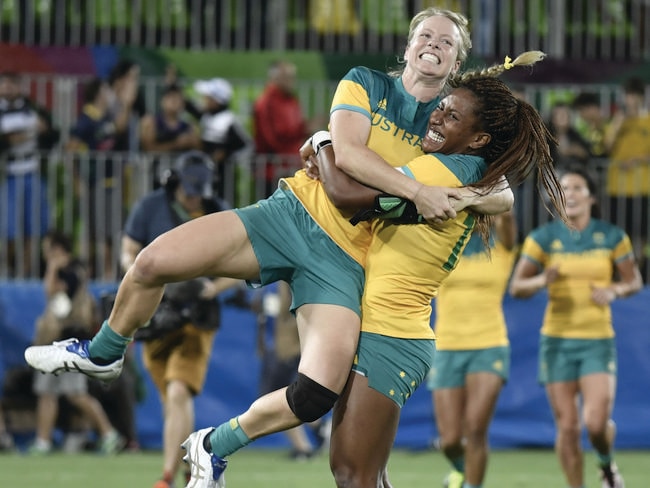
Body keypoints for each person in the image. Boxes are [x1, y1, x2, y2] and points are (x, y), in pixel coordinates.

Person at [24, 8, 519, 487]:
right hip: (290, 215)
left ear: (457, 64)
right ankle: (104, 352)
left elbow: (502, 190)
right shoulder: (366, 82)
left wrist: (468, 194)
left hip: (347, 260)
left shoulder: (447, 125)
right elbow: (345, 156)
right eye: (425, 35)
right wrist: (408, 186)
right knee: (153, 261)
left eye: (446, 41)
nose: (433, 43)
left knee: (317, 392)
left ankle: (213, 446)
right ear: (408, 47)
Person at [509, 167, 643, 488]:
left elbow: (633, 280)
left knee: (595, 424)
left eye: (577, 188)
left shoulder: (612, 236)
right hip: (557, 341)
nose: (569, 193)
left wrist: (615, 290)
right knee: (567, 427)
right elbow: (517, 286)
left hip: (597, 340)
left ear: (591, 198)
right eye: (563, 188)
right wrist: (543, 279)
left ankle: (606, 466)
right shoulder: (543, 238)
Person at [118, 150, 239, 488]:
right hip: (157, 314)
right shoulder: (151, 206)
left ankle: (168, 476)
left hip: (197, 318)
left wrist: (213, 289)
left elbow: (247, 259)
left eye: (200, 188)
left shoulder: (218, 210)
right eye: (189, 188)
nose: (194, 195)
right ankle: (193, 465)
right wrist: (142, 274)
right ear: (174, 182)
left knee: (177, 393)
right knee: (170, 400)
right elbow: (128, 249)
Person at [426, 210, 517, 488]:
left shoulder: (502, 245)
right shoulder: (445, 244)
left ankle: (472, 484)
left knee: (476, 429)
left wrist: (491, 182)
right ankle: (461, 469)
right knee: (450, 438)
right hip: (447, 347)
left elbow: (508, 215)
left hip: (489, 346)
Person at [29, 230, 123, 455]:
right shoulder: (73, 269)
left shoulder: (71, 271)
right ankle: (43, 441)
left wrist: (52, 268)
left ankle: (109, 434)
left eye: (48, 247)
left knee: (76, 394)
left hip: (70, 342)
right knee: (47, 394)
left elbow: (51, 293)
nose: (44, 252)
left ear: (57, 249)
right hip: (54, 342)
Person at [253, 281, 324, 460]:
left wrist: (289, 345)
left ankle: (306, 443)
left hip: (284, 348)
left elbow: (286, 312)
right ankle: (317, 429)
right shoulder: (269, 282)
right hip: (275, 347)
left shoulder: (285, 278)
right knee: (284, 395)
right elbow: (269, 312)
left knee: (277, 397)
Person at [0, 71, 52, 277]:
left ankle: (25, 274)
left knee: (33, 230)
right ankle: (8, 272)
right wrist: (26, 134)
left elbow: (49, 131)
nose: (8, 88)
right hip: (8, 174)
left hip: (32, 170)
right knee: (8, 230)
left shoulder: (32, 108)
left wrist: (33, 132)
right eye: (4, 84)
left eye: (12, 83)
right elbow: (6, 142)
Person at [253, 60, 323, 197]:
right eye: (288, 77)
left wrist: (305, 129)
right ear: (275, 78)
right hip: (272, 170)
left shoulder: (291, 100)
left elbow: (294, 130)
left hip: (290, 167)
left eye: (293, 77)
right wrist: (304, 130)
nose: (292, 81)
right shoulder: (266, 103)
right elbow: (271, 140)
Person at [603, 77, 650, 278]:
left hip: (641, 187)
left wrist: (637, 160)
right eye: (626, 95)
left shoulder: (647, 120)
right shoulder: (617, 120)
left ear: (640, 97)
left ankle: (637, 273)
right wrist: (617, 123)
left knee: (639, 234)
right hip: (616, 187)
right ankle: (620, 272)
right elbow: (607, 146)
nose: (629, 100)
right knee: (619, 232)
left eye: (632, 96)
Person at [194, 77, 253, 199]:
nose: (204, 100)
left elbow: (246, 144)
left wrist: (226, 154)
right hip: (207, 174)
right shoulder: (207, 116)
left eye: (207, 97)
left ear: (217, 100)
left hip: (224, 177)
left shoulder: (229, 120)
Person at [139, 84, 201, 186]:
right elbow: (148, 148)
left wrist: (193, 142)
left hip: (182, 178)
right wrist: (176, 144)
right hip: (156, 176)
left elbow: (198, 151)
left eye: (177, 98)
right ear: (163, 100)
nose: (174, 101)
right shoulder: (152, 123)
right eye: (170, 97)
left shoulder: (189, 126)